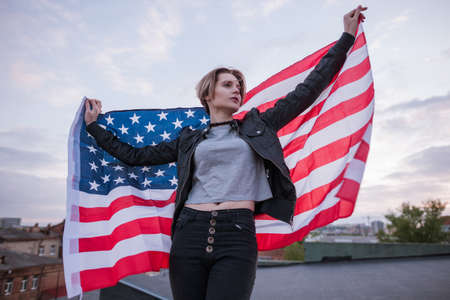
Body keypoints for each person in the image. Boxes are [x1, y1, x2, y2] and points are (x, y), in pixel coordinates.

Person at [84, 5, 367, 300]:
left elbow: (307, 89)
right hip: (189, 234)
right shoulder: (188, 139)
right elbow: (135, 156)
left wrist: (346, 37)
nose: (237, 91)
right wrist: (95, 128)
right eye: (228, 84)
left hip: (237, 235)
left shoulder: (258, 125)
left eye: (239, 87)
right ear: (208, 94)